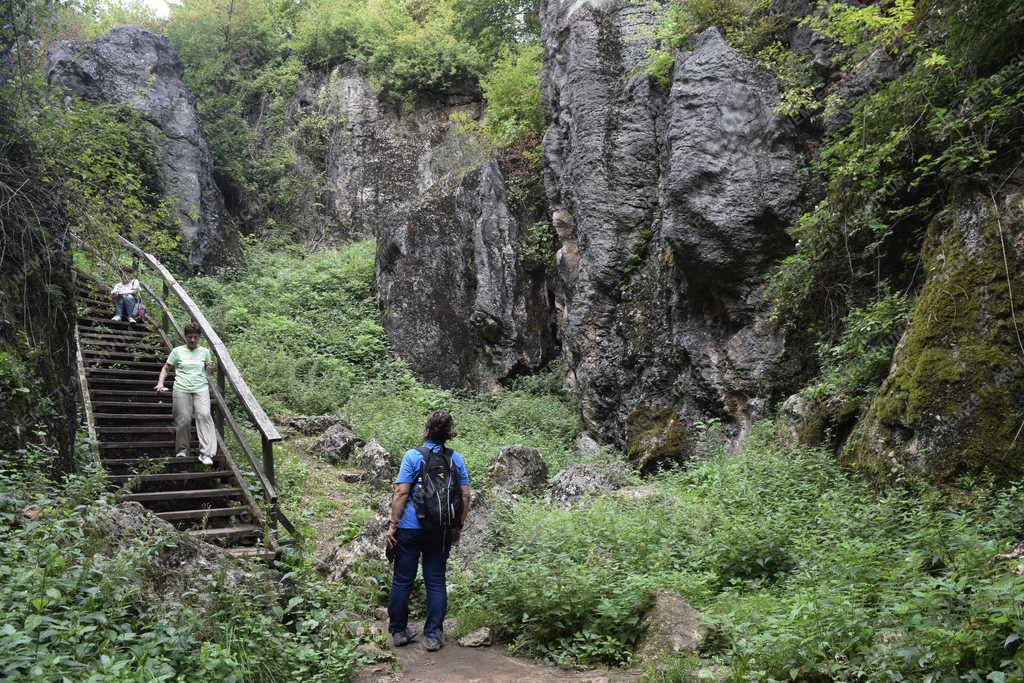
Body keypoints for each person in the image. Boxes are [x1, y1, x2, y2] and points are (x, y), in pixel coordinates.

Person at [386, 410, 471, 652]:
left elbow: (401, 493)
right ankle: (433, 635)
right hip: (441, 529)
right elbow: (465, 495)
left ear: (426, 432)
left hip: (410, 528)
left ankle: (400, 632)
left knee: (403, 580)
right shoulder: (456, 459)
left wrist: (393, 525)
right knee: (435, 581)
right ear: (448, 435)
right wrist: (457, 526)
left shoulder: (413, 456)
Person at [154, 322, 217, 465]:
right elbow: (166, 368)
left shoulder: (205, 352)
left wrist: (211, 368)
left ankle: (206, 453)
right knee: (183, 418)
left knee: (204, 415)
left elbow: (208, 371)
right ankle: (182, 450)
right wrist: (160, 383)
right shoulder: (177, 351)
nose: (192, 340)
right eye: (190, 337)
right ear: (185, 336)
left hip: (201, 387)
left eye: (195, 337)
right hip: (181, 388)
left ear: (199, 337)